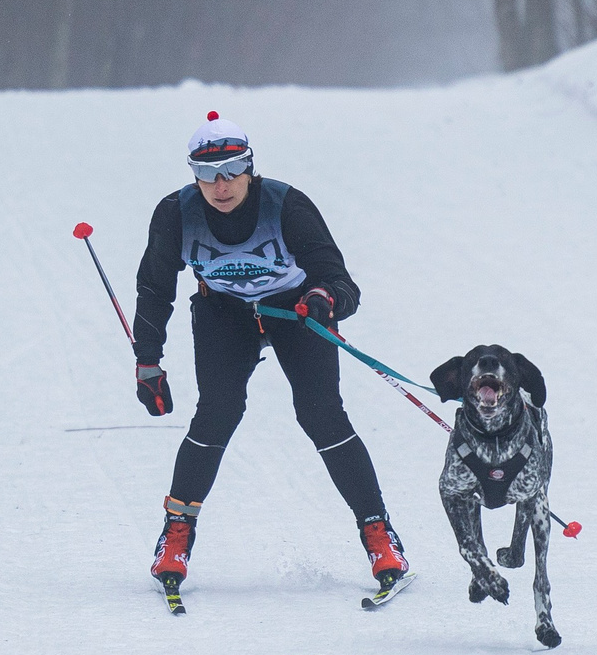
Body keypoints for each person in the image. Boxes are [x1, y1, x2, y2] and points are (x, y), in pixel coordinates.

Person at [132, 113, 407, 596]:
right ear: (192, 174)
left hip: (295, 310)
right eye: (206, 173)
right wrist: (148, 362)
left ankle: (377, 531)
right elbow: (155, 289)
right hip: (224, 313)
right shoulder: (177, 212)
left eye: (232, 169)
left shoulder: (287, 205)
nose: (220, 185)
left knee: (321, 414)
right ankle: (177, 534)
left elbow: (342, 281)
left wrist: (325, 300)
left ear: (250, 168)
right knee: (217, 411)